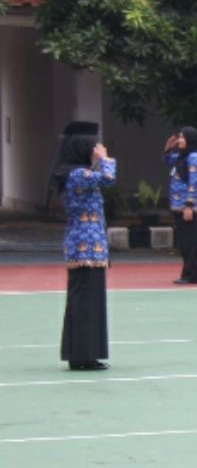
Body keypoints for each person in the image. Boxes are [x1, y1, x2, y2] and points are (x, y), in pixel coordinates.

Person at [52, 121, 115, 371]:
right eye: (91, 147)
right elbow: (108, 179)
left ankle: (84, 353)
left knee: (88, 300)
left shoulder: (75, 173)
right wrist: (105, 158)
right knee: (85, 300)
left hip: (89, 245)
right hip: (86, 246)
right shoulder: (78, 174)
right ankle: (82, 355)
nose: (95, 151)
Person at [163, 126, 197, 285]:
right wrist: (168, 150)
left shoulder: (195, 157)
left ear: (190, 139)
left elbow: (195, 182)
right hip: (178, 204)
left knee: (191, 241)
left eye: (182, 137)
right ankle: (187, 273)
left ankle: (193, 274)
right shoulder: (182, 156)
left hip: (188, 205)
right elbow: (169, 163)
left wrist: (189, 204)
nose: (179, 140)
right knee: (184, 242)